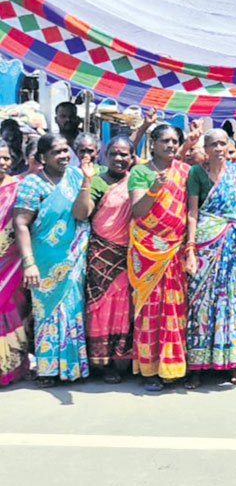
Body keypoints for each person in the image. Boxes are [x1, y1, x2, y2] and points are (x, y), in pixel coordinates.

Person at [13, 134, 90, 387]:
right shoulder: (32, 184)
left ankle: (72, 367)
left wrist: (87, 181)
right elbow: (22, 224)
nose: (64, 155)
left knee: (72, 311)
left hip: (73, 257)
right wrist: (29, 262)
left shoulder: (77, 177)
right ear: (42, 158)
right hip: (45, 259)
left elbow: (81, 213)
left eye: (66, 150)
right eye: (56, 152)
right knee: (46, 313)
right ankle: (47, 369)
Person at [183, 129, 236, 389]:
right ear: (206, 148)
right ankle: (196, 368)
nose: (219, 148)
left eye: (224, 143)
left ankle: (232, 364)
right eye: (214, 144)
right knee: (200, 302)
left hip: (231, 244)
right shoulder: (196, 173)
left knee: (231, 301)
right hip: (204, 243)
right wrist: (190, 247)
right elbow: (192, 212)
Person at [128, 123, 190, 392]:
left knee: (175, 309)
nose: (170, 145)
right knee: (150, 310)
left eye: (175, 141)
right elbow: (139, 211)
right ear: (152, 143)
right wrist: (154, 189)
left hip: (176, 250)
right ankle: (150, 369)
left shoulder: (186, 172)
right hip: (148, 251)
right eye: (164, 140)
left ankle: (173, 366)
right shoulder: (140, 172)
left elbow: (190, 211)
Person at [71, 137, 135, 384]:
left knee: (124, 307)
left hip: (128, 254)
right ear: (105, 156)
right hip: (101, 253)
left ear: (132, 157)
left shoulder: (136, 180)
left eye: (125, 155)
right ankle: (101, 362)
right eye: (115, 154)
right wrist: (87, 181)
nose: (119, 159)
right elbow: (81, 213)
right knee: (99, 306)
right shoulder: (97, 181)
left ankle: (121, 359)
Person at [0, 139, 28, 386]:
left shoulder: (19, 187)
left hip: (11, 261)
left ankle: (11, 368)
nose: (2, 163)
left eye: (6, 158)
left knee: (10, 310)